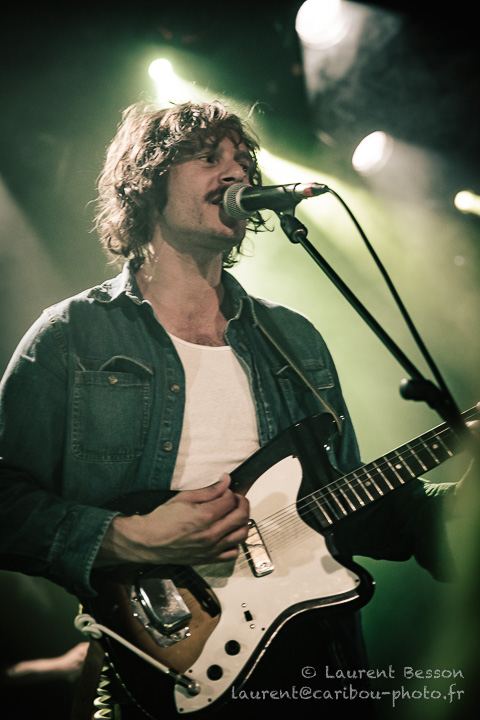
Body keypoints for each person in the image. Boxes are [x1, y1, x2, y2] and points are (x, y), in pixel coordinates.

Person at [0, 100, 472, 719]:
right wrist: (130, 538)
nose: (236, 173)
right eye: (208, 157)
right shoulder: (72, 335)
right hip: (159, 664)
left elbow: (349, 505)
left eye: (243, 159)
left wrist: (456, 502)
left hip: (316, 662)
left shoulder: (293, 337)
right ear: (145, 182)